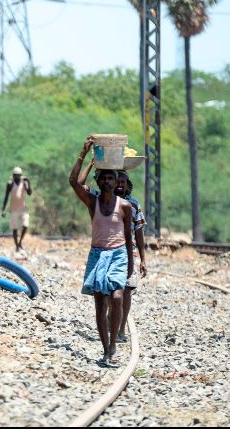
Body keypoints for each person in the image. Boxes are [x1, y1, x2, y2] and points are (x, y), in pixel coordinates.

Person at [69, 137, 134, 368]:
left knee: (117, 297)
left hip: (117, 254)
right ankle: (106, 349)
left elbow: (128, 236)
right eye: (103, 177)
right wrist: (84, 154)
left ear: (116, 181)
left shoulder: (124, 206)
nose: (107, 180)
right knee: (99, 304)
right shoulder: (92, 202)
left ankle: (114, 342)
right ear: (98, 181)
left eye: (111, 177)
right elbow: (74, 182)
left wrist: (131, 263)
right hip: (97, 255)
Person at [79, 163, 147, 343]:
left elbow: (138, 232)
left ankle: (120, 330)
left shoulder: (132, 204)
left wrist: (142, 259)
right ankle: (113, 325)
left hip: (128, 252)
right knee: (109, 294)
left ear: (126, 184)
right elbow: (80, 185)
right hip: (106, 252)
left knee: (125, 291)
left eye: (123, 182)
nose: (120, 185)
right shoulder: (98, 199)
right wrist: (92, 163)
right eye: (119, 181)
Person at [1, 166, 32, 251]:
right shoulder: (10, 184)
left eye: (18, 175)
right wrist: (3, 209)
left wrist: (28, 181)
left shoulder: (24, 183)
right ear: (13, 175)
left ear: (21, 175)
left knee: (25, 226)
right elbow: (6, 197)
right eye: (15, 175)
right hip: (13, 209)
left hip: (23, 209)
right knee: (15, 229)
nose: (17, 177)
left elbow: (29, 193)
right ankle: (17, 245)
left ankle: (20, 241)